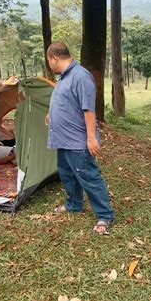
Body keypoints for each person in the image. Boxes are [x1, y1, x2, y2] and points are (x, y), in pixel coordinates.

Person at [45, 41, 115, 235]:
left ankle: (104, 215)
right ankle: (73, 205)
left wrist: (91, 138)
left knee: (89, 177)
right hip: (63, 139)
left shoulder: (81, 76)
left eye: (48, 60)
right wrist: (52, 114)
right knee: (67, 175)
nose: (49, 64)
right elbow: (68, 102)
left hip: (78, 141)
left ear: (54, 58)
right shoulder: (64, 77)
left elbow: (88, 109)